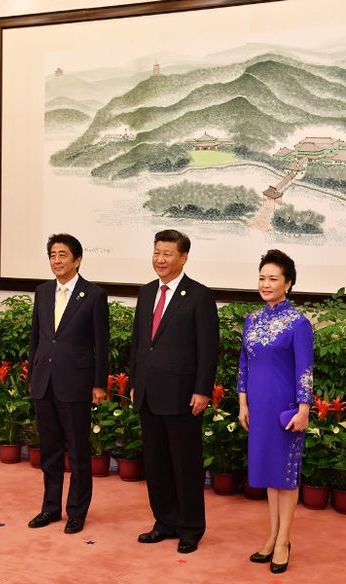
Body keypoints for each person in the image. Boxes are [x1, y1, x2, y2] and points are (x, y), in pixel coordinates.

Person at [130, 229, 219, 554]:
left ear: (183, 257)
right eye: (156, 252)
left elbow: (208, 350)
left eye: (167, 253)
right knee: (155, 464)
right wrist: (134, 381)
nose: (160, 259)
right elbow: (140, 343)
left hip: (183, 395)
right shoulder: (145, 292)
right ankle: (164, 522)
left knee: (185, 464)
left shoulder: (199, 296)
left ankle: (191, 527)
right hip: (149, 394)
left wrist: (202, 390)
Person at [237, 249, 313, 574]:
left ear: (289, 283)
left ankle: (283, 541)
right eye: (262, 278)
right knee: (269, 477)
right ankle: (270, 536)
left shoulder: (299, 324)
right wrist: (243, 403)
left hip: (286, 410)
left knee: (285, 477)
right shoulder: (251, 320)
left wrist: (304, 409)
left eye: (273, 279)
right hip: (258, 409)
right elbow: (243, 363)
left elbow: (305, 370)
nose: (265, 284)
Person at [27, 233, 109, 534]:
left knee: (77, 451)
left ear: (77, 260)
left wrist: (99, 384)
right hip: (44, 383)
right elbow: (36, 337)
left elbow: (102, 342)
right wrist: (33, 373)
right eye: (52, 254)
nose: (56, 260)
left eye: (62, 254)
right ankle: (50, 508)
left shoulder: (95, 295)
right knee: (48, 451)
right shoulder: (42, 291)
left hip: (76, 383)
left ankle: (77, 511)